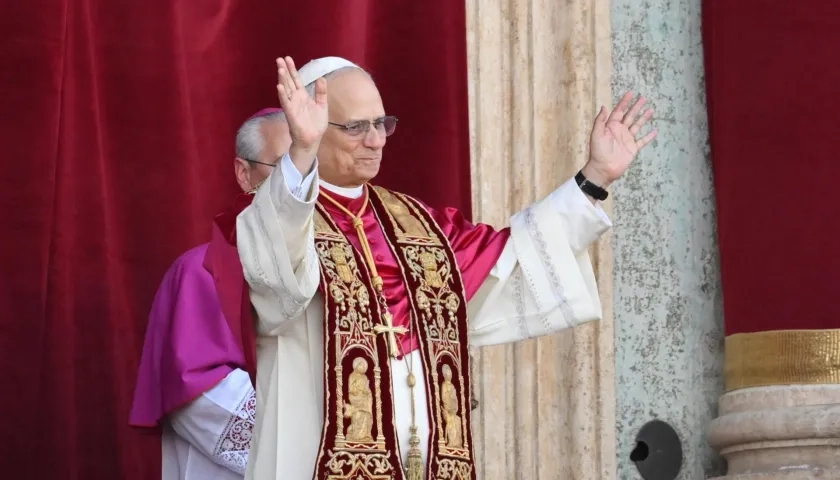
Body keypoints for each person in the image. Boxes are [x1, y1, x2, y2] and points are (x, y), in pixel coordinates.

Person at [236, 56, 658, 480]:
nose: (376, 140)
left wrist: (594, 177)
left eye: (382, 124)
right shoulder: (282, 215)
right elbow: (277, 282)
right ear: (310, 128)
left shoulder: (418, 224)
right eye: (356, 127)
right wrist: (302, 152)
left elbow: (512, 259)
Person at [129, 108, 293, 479]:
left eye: (312, 169)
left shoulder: (348, 267)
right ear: (244, 173)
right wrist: (306, 443)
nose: (301, 184)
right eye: (286, 167)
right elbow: (198, 393)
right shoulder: (203, 271)